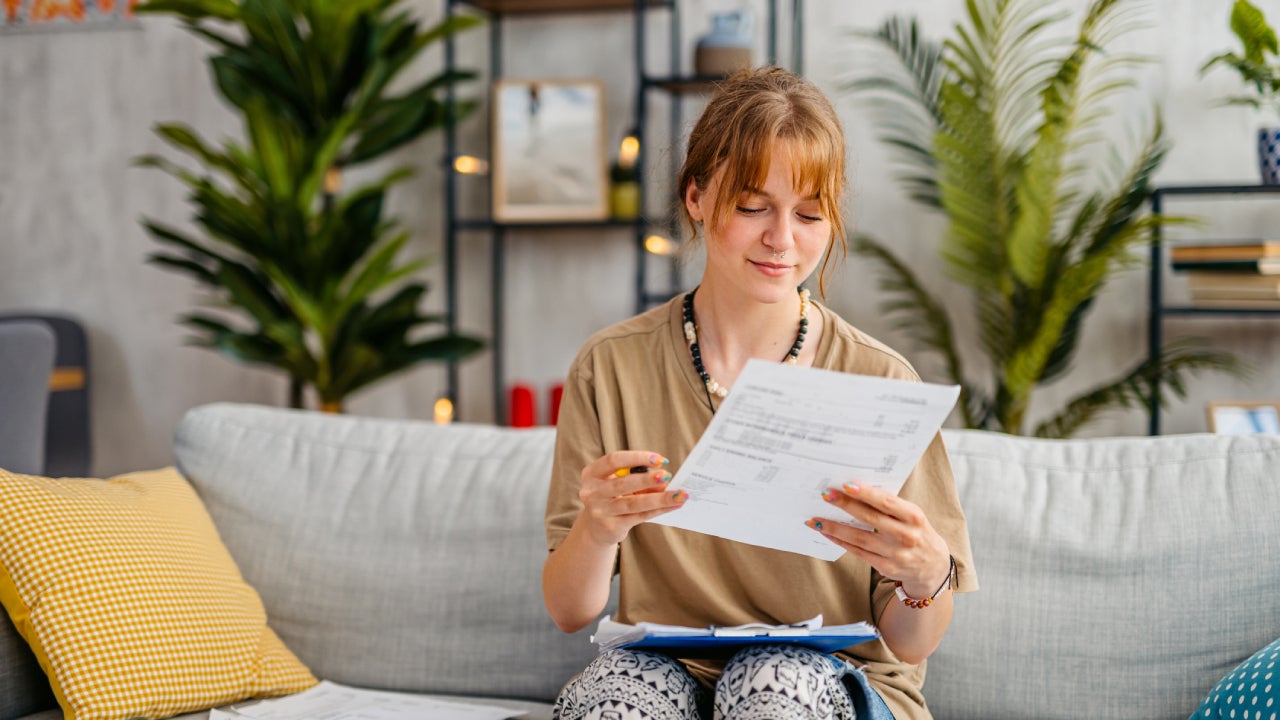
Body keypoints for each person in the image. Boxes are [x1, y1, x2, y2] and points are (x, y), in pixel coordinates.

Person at [542, 66, 977, 720]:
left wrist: (925, 578)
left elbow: (911, 641)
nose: (782, 240)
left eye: (809, 214)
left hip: (837, 678)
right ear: (696, 197)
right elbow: (570, 611)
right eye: (753, 208)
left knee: (771, 685)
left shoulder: (879, 380)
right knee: (609, 702)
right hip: (666, 668)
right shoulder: (611, 367)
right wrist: (599, 528)